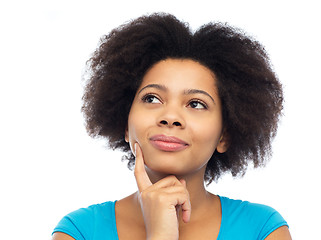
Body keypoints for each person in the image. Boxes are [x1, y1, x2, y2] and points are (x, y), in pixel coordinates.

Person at [52, 13, 291, 239]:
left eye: (196, 104)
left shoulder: (262, 230)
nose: (170, 117)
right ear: (125, 124)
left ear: (224, 136)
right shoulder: (79, 232)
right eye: (152, 98)